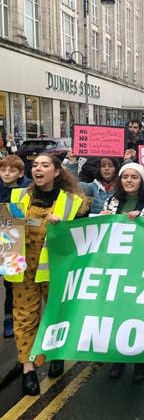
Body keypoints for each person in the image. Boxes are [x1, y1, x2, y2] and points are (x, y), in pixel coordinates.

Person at [8, 153, 88, 395]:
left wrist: (63, 227)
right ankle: (28, 368)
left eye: (44, 165)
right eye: (35, 166)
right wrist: (8, 267)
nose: (38, 169)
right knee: (23, 318)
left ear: (56, 172)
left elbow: (85, 239)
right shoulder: (17, 197)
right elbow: (7, 233)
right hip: (22, 269)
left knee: (56, 315)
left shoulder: (73, 202)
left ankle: (56, 352)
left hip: (56, 271)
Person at [102, 163, 144, 382]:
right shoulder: (111, 202)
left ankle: (140, 361)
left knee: (138, 314)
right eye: (125, 177)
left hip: (142, 267)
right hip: (116, 266)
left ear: (142, 181)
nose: (129, 180)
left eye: (134, 177)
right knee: (117, 312)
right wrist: (102, 219)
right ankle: (117, 359)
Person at [0, 155, 31, 339]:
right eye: (3, 170)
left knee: (12, 283)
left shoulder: (27, 189)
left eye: (11, 170)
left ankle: (11, 319)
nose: (6, 173)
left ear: (20, 173)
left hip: (14, 239)